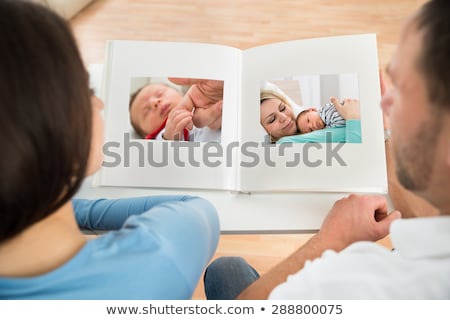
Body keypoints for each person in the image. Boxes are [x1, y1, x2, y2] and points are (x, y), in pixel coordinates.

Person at [203, 0, 450, 299]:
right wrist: (379, 131)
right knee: (227, 267)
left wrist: (332, 238)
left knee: (225, 269)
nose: (384, 102)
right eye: (272, 119)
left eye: (405, 90)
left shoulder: (369, 283)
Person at [0, 0, 219, 299]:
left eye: (158, 94)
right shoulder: (155, 258)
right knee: (226, 270)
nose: (99, 103)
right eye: (87, 91)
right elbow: (197, 209)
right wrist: (169, 138)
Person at [129, 81, 221, 142]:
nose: (155, 103)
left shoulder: (201, 97)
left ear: (177, 91)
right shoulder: (161, 138)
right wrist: (167, 138)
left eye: (160, 93)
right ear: (145, 135)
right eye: (146, 111)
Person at [260, 89, 361, 143]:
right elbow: (355, 158)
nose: (283, 117)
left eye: (282, 108)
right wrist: (353, 118)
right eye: (272, 119)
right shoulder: (286, 144)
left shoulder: (322, 119)